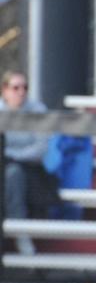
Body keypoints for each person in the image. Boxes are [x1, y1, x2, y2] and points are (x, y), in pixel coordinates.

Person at [0, 71, 60, 254]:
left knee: (14, 175)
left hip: (30, 169)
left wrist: (12, 155)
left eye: (25, 87)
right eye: (15, 87)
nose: (21, 92)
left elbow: (41, 149)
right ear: (4, 90)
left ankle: (20, 232)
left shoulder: (37, 110)